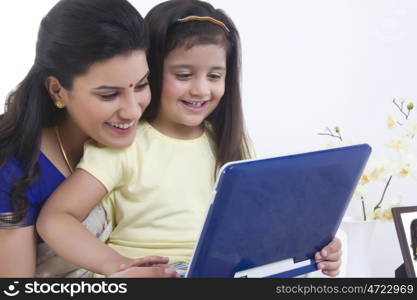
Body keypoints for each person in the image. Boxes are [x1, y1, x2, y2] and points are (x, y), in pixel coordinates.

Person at [37, 0, 342, 277]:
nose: (200, 90)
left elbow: (258, 229)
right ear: (150, 74)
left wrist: (313, 250)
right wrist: (120, 267)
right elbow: (56, 218)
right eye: (183, 75)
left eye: (214, 76)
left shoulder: (231, 143)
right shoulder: (125, 146)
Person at [0, 0, 177, 278]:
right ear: (57, 90)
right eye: (109, 95)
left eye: (142, 85)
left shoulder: (151, 135)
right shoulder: (14, 172)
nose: (132, 110)